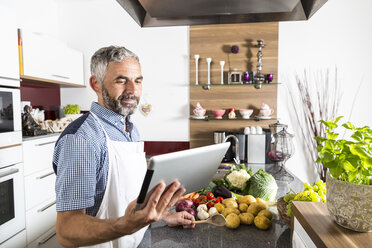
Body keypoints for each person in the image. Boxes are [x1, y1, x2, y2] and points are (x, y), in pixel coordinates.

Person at [53, 46, 195, 248]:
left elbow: (129, 193)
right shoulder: (81, 139)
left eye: (137, 81)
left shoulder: (129, 128)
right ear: (96, 84)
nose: (132, 90)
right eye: (121, 80)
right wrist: (126, 225)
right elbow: (67, 231)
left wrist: (161, 215)